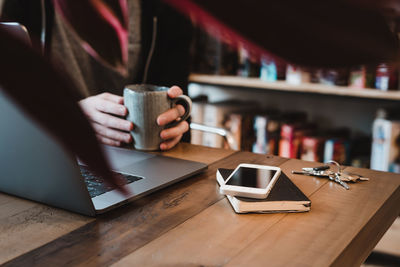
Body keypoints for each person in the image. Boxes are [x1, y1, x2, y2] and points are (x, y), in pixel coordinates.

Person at [1, 0, 193, 150]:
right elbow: (9, 115)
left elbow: (178, 107)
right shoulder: (24, 5)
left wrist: (175, 125)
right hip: (60, 152)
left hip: (140, 158)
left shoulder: (169, 10)